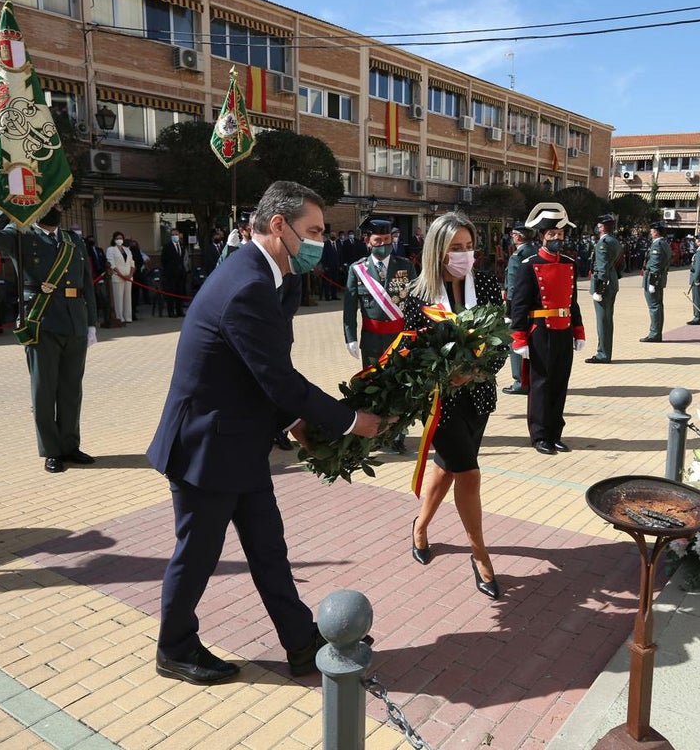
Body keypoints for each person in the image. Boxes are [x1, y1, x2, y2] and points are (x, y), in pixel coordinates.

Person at [147, 181, 385, 685]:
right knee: (196, 557)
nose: (322, 241)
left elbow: (260, 368)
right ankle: (174, 648)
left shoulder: (276, 277)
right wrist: (348, 421)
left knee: (269, 549)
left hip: (241, 442)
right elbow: (277, 377)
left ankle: (301, 644)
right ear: (279, 225)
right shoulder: (247, 284)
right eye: (314, 231)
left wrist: (292, 420)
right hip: (205, 447)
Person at [402, 212, 507, 599]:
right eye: (455, 249)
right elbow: (413, 354)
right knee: (469, 474)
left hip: (478, 398)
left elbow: (502, 339)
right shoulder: (419, 295)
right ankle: (480, 555)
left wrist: (476, 373)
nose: (464, 255)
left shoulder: (487, 285)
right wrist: (448, 377)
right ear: (437, 251)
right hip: (441, 403)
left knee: (448, 470)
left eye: (469, 247)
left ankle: (419, 526)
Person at [0, 206, 98, 473]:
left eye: (56, 204)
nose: (53, 210)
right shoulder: (20, 235)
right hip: (42, 324)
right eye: (46, 204)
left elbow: (86, 283)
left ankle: (70, 446)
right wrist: (7, 210)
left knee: (71, 390)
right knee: (44, 391)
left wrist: (91, 323)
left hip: (75, 323)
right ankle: (51, 451)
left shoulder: (72, 240)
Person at [509, 202, 585, 455]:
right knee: (541, 385)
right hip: (540, 330)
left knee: (560, 384)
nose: (556, 238)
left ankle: (555, 433)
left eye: (560, 235)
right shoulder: (528, 264)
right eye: (551, 234)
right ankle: (540, 435)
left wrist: (578, 329)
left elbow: (572, 300)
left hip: (563, 330)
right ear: (541, 236)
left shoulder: (568, 263)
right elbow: (518, 305)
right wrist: (518, 337)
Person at [342, 216, 416, 453]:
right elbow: (350, 306)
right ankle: (374, 433)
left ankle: (398, 433)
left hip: (400, 337)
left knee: (400, 385)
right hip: (372, 338)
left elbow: (415, 303)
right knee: (373, 386)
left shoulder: (406, 266)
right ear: (368, 241)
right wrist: (350, 337)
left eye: (387, 239)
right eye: (378, 240)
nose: (384, 244)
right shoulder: (358, 269)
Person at [501, 220, 537, 394]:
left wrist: (509, 309)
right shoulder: (536, 252)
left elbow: (514, 286)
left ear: (519, 236)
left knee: (515, 341)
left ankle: (519, 381)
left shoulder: (518, 256)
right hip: (535, 305)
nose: (512, 237)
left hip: (519, 305)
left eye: (514, 234)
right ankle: (530, 379)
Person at [586, 213, 622, 364]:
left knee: (603, 320)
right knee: (606, 319)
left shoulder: (603, 243)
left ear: (601, 227)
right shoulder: (614, 241)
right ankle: (605, 352)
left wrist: (599, 290)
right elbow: (620, 264)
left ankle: (603, 354)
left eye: (599, 225)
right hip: (611, 281)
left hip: (604, 285)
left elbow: (601, 268)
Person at [640, 222, 670, 342]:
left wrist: (652, 282)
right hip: (659, 278)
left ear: (657, 232)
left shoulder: (657, 245)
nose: (650, 232)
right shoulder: (664, 243)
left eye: (652, 230)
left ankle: (654, 334)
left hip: (653, 278)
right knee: (657, 306)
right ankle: (656, 332)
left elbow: (655, 265)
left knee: (654, 307)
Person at [105, 231, 135, 324]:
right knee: (118, 298)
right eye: (117, 238)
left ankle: (128, 317)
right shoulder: (111, 249)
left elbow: (132, 263)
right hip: (118, 277)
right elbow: (112, 264)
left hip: (128, 277)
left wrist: (130, 275)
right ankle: (119, 317)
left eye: (121, 238)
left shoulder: (127, 249)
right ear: (114, 239)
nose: (119, 240)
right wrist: (121, 275)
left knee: (127, 297)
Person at [161, 228, 189, 317]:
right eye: (173, 235)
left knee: (179, 292)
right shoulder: (167, 246)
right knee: (171, 293)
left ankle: (179, 310)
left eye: (176, 234)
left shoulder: (181, 245)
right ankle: (171, 311)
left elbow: (182, 258)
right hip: (170, 274)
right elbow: (163, 260)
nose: (175, 236)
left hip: (180, 273)